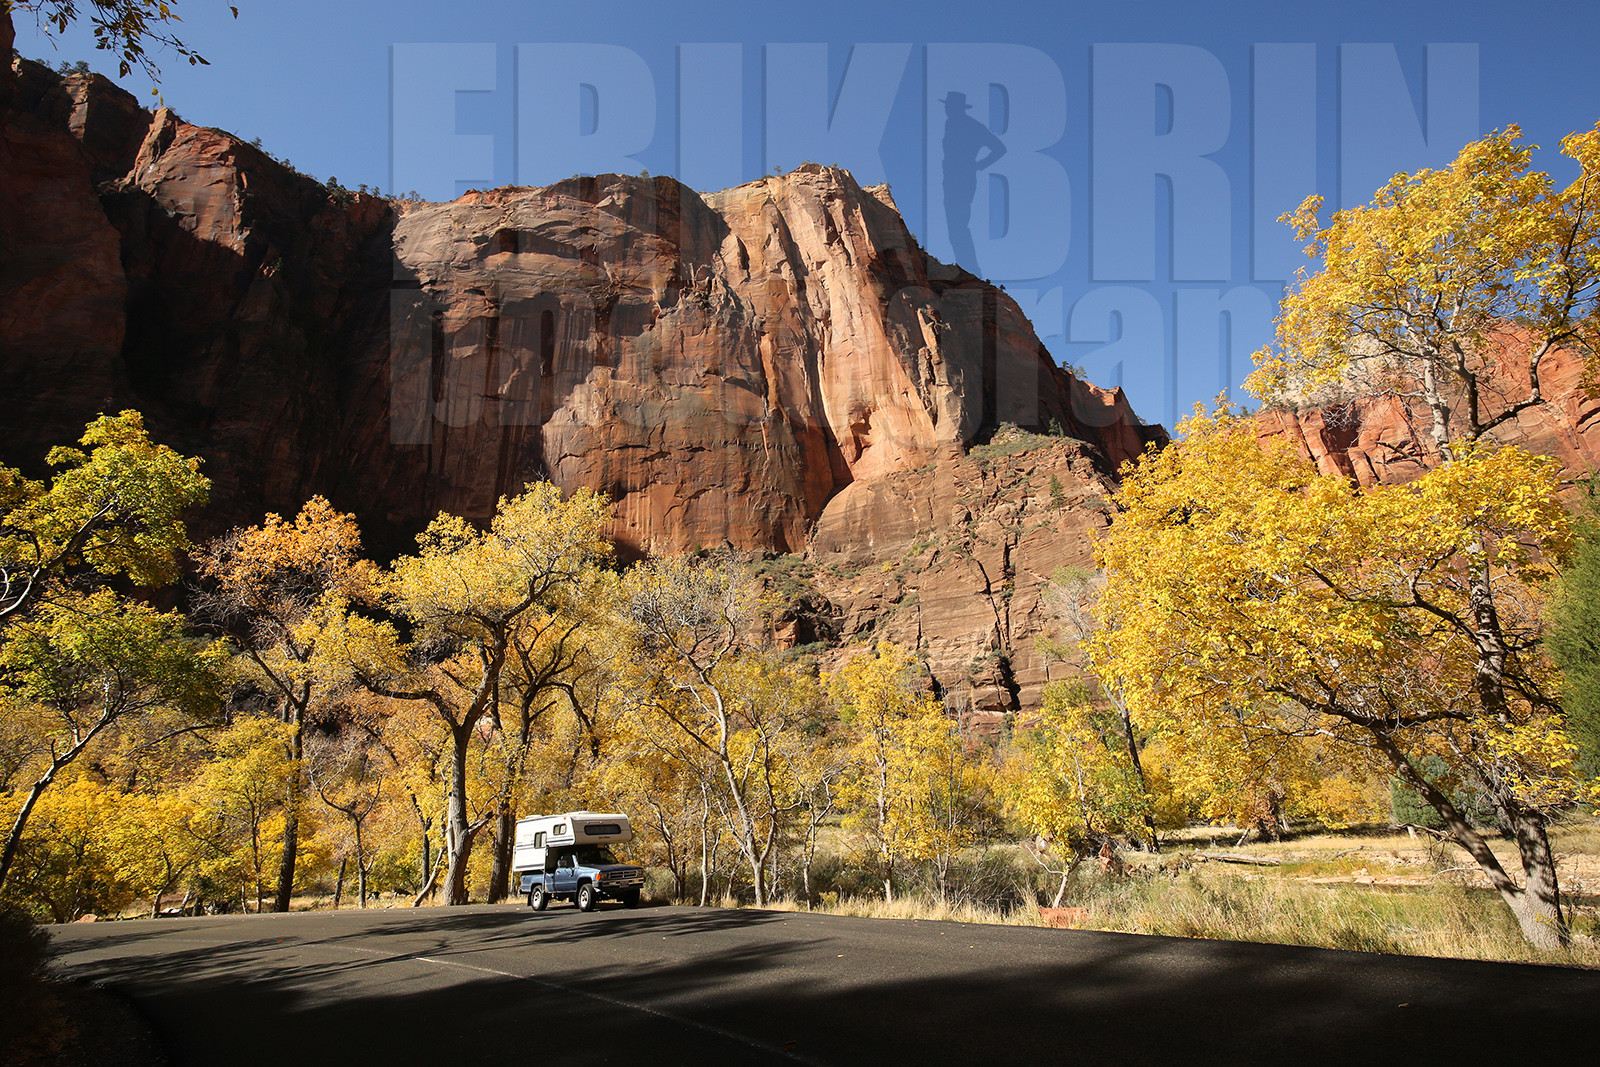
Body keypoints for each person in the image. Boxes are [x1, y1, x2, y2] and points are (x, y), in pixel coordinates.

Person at [940, 91, 1007, 275]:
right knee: (955, 224)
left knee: (958, 224)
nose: (946, 108)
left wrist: (979, 165)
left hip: (962, 177)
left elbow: (1000, 148)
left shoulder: (972, 126)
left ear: (956, 107)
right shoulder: (951, 124)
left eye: (948, 105)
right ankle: (966, 268)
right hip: (952, 176)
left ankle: (969, 270)